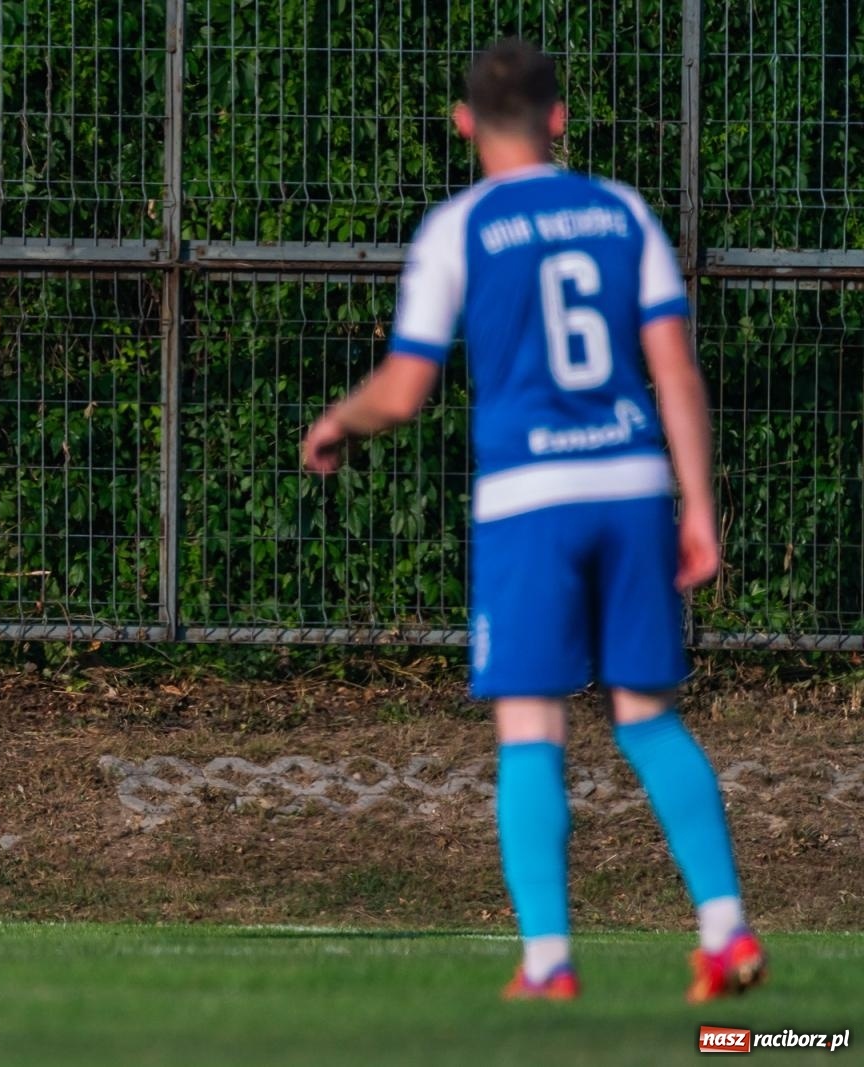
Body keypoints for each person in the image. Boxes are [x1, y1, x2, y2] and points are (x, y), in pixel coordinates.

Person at [300, 39, 764, 1002]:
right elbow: (674, 368)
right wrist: (700, 503)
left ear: (465, 125)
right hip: (632, 482)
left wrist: (340, 421)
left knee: (531, 727)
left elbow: (408, 387)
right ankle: (724, 930)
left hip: (527, 500)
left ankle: (549, 960)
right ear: (558, 119)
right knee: (645, 714)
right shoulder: (622, 210)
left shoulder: (456, 229)